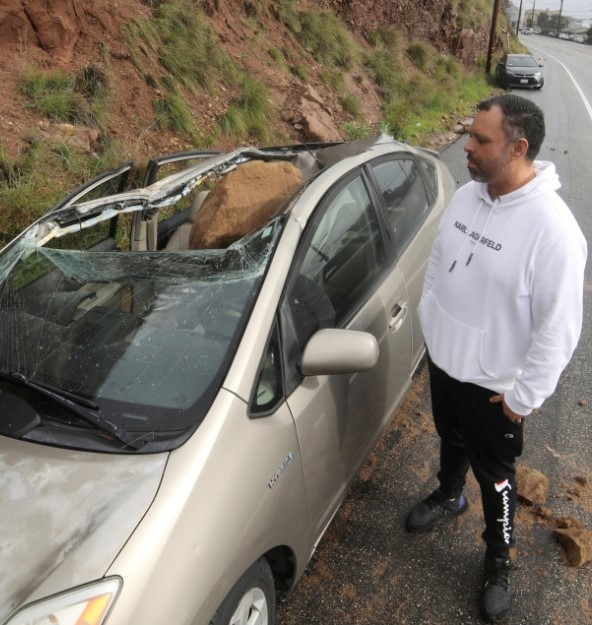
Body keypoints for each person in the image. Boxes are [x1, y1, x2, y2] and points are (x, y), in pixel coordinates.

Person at [405, 94, 587, 623]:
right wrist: (430, 319)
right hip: (446, 362)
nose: (467, 146)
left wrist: (523, 397)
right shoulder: (468, 195)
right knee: (450, 436)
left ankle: (497, 558)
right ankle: (447, 495)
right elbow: (440, 261)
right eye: (469, 134)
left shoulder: (554, 232)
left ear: (519, 147)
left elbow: (560, 329)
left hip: (495, 388)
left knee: (498, 476)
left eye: (481, 140)